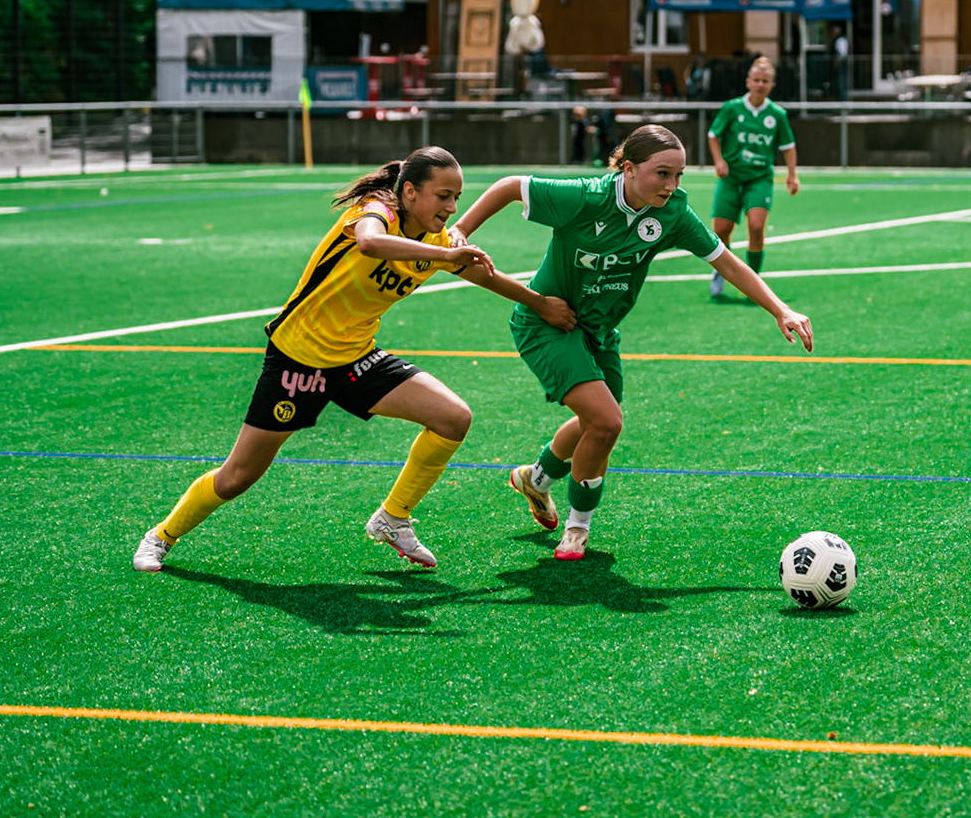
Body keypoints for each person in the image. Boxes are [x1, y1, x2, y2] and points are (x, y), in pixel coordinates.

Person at [132, 148, 578, 573]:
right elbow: (370, 244)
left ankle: (393, 518)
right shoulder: (374, 211)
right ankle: (161, 535)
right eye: (443, 196)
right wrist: (445, 254)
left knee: (452, 418)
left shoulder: (436, 238)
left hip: (356, 359)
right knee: (237, 478)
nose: (451, 206)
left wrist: (539, 304)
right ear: (409, 192)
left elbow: (483, 273)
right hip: (297, 361)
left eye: (457, 197)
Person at [452, 125, 814, 561]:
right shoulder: (587, 196)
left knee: (595, 425)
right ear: (628, 168)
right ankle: (576, 528)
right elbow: (511, 187)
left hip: (599, 332)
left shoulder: (673, 213)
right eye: (662, 174)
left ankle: (537, 478)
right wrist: (462, 230)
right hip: (547, 322)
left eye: (679, 176)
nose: (672, 185)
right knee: (606, 422)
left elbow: (728, 263)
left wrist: (780, 309)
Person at [705, 56, 799, 300]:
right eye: (756, 80)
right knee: (722, 230)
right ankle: (721, 271)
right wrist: (719, 160)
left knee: (756, 227)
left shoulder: (776, 114)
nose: (760, 84)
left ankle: (754, 283)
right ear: (748, 81)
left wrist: (792, 174)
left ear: (772, 85)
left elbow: (788, 145)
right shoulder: (732, 108)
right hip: (731, 177)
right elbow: (713, 135)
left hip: (759, 178)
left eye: (765, 81)